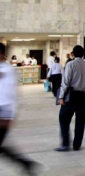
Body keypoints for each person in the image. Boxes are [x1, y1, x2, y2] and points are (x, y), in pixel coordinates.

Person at [0, 43, 38, 174]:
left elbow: (11, 94)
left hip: (4, 113)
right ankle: (26, 163)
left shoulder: (8, 69)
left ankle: (26, 163)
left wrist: (10, 115)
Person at [56, 45, 85, 152]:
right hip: (83, 96)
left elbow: (66, 82)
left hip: (71, 96)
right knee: (80, 121)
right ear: (83, 54)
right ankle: (77, 145)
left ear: (73, 53)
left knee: (63, 119)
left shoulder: (71, 64)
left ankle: (65, 144)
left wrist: (61, 96)